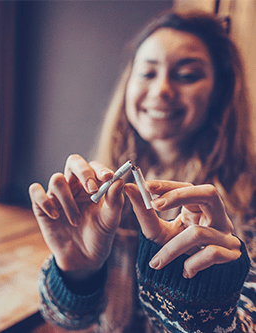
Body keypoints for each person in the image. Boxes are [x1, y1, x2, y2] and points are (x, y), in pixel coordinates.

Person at [28, 10, 256, 332]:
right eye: (148, 73)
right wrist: (77, 271)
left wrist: (206, 298)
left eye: (188, 75)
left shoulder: (250, 196)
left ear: (220, 90)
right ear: (128, 84)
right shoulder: (106, 187)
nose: (162, 89)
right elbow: (64, 318)